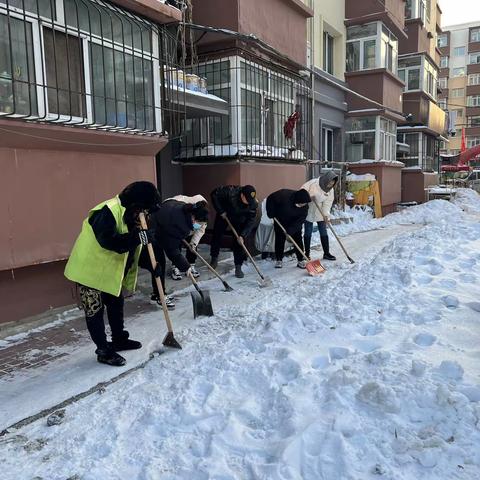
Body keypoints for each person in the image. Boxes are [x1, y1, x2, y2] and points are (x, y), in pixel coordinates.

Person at [64, 181, 161, 367]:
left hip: (110, 272)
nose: (145, 214)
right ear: (136, 204)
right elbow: (109, 241)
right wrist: (137, 237)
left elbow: (135, 250)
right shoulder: (106, 211)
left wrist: (153, 266)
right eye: (144, 209)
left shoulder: (131, 216)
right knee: (95, 311)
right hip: (89, 273)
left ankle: (119, 339)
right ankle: (103, 351)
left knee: (116, 304)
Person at [139, 199, 209, 310]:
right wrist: (186, 266)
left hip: (158, 226)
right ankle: (160, 296)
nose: (198, 226)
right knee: (158, 264)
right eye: (198, 223)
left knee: (157, 264)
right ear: (193, 217)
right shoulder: (179, 224)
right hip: (151, 233)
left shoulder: (184, 208)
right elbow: (172, 250)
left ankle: (157, 294)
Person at [209, 185, 258, 278]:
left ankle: (238, 267)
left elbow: (251, 221)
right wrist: (221, 211)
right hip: (225, 215)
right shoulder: (230, 192)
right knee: (217, 235)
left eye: (250, 200)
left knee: (238, 241)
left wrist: (243, 235)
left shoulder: (253, 204)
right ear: (242, 195)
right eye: (247, 199)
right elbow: (214, 194)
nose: (248, 202)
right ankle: (214, 257)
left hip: (239, 219)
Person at [163, 194, 208, 281]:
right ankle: (176, 267)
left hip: (189, 229)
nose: (199, 224)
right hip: (177, 227)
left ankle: (191, 265)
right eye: (198, 222)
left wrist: (193, 243)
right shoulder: (181, 206)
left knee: (193, 247)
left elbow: (200, 230)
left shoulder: (203, 216)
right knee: (176, 246)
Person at [266, 188, 311, 269]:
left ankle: (300, 260)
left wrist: (291, 230)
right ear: (298, 200)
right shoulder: (284, 196)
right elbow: (270, 198)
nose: (304, 205)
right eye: (302, 203)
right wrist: (270, 212)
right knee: (280, 238)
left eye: (305, 204)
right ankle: (279, 259)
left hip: (294, 222)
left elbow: (301, 220)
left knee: (298, 239)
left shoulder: (305, 207)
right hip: (280, 219)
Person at [302, 171, 339, 261]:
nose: (330, 185)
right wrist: (309, 198)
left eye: (332, 183)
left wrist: (326, 214)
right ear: (326, 179)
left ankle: (326, 253)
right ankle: (306, 254)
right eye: (330, 182)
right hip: (309, 210)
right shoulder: (313, 184)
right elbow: (301, 192)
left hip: (320, 212)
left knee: (323, 232)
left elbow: (328, 203)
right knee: (308, 232)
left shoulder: (330, 191)